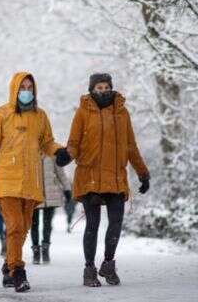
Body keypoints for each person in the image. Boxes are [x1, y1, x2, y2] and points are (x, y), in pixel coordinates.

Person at [0, 72, 70, 293]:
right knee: (15, 225)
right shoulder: (1, 115)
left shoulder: (40, 116)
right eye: (22, 87)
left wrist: (60, 151)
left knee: (23, 228)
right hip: (7, 180)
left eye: (30, 88)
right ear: (14, 89)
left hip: (31, 181)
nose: (26, 91)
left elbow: (47, 142)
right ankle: (18, 272)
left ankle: (8, 266)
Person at [61, 73, 150, 287]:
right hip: (90, 176)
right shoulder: (83, 112)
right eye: (98, 87)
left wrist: (142, 172)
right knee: (93, 224)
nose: (103, 90)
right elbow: (74, 141)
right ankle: (89, 269)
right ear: (92, 90)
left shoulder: (122, 113)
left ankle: (108, 264)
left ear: (111, 87)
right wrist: (67, 155)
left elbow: (131, 146)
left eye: (106, 86)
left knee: (116, 222)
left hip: (116, 176)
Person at [30, 155, 71, 264]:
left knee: (47, 224)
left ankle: (45, 250)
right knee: (34, 224)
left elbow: (60, 173)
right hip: (33, 194)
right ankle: (36, 252)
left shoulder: (52, 153)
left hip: (50, 194)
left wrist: (67, 189)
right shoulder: (29, 150)